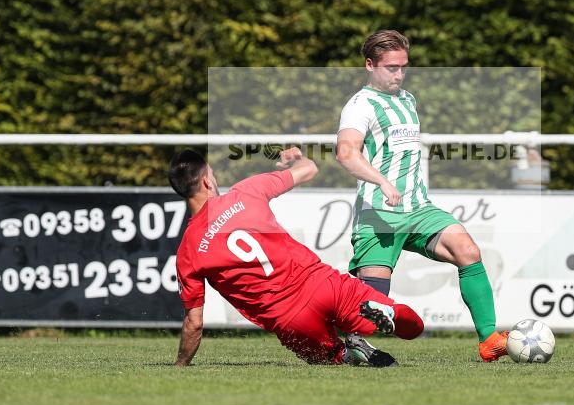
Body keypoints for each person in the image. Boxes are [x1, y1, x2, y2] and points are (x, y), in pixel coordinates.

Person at [335, 30, 508, 362]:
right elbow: (346, 153)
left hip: (418, 210)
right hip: (379, 213)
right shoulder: (360, 106)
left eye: (404, 66)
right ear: (369, 65)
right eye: (391, 67)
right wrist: (382, 182)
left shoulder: (407, 99)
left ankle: (489, 341)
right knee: (372, 310)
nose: (399, 74)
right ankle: (345, 344)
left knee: (468, 251)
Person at [168, 147, 424, 367]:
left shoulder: (188, 250)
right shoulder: (245, 191)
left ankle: (350, 353)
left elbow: (194, 323)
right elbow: (309, 170)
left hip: (290, 319)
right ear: (207, 182)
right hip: (322, 284)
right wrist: (296, 159)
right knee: (413, 327)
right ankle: (389, 315)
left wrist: (180, 365)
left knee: (331, 357)